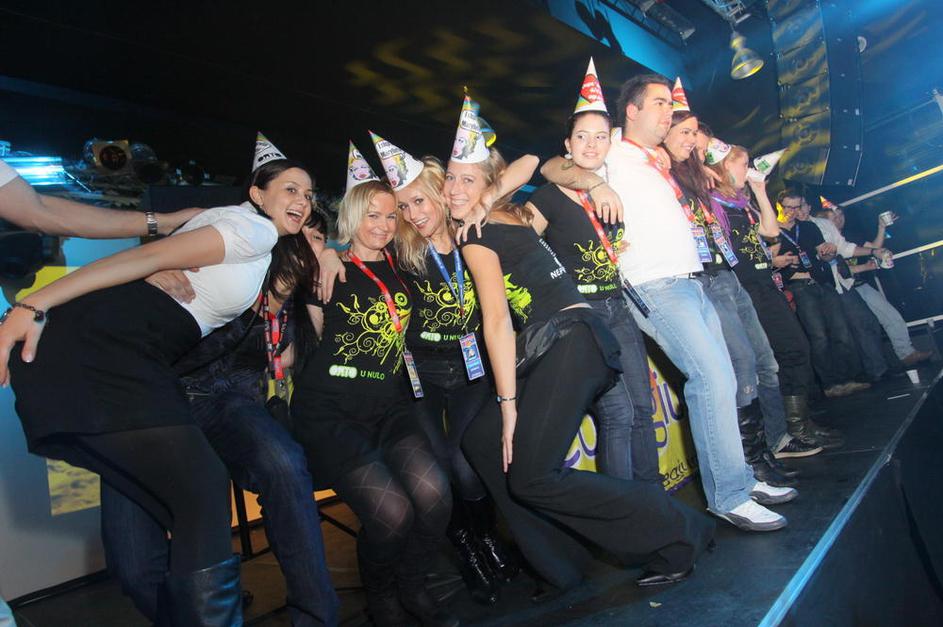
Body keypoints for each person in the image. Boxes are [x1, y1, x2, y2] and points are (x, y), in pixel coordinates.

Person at [0, 142, 313, 625]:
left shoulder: (250, 239)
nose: (303, 200)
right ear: (257, 194)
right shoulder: (254, 228)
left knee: (191, 500)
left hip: (111, 353)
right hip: (109, 352)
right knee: (201, 491)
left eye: (309, 194)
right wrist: (32, 304)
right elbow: (147, 259)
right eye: (290, 189)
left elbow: (153, 257)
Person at [450, 96, 715, 593]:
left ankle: (679, 531)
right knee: (481, 439)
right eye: (450, 179)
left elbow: (497, 322)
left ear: (488, 181)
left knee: (532, 475)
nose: (456, 189)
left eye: (469, 179)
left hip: (570, 339)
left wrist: (509, 405)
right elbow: (531, 164)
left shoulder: (479, 230)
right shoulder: (504, 215)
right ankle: (560, 561)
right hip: (569, 337)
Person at [541, 73, 794, 531]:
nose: (668, 112)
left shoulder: (654, 157)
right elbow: (551, 168)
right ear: (632, 111)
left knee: (727, 378)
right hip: (655, 284)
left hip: (692, 281)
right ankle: (729, 496)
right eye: (659, 103)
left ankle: (743, 478)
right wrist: (596, 185)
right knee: (710, 378)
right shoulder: (612, 149)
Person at [99, 207, 339, 627]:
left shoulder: (301, 304)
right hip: (153, 403)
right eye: (301, 234)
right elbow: (139, 280)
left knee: (284, 464)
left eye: (318, 238)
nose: (309, 244)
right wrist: (148, 273)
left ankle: (316, 617)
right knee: (133, 565)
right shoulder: (226, 270)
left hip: (230, 403)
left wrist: (331, 263)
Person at [290, 178, 457, 627]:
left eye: (389, 215)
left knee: (436, 497)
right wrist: (328, 253)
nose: (382, 225)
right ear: (352, 216)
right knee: (391, 513)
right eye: (372, 215)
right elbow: (311, 338)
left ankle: (413, 586)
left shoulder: (403, 263)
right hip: (332, 411)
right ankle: (382, 598)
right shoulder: (326, 269)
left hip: (390, 405)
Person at [384, 147, 518, 605]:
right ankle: (466, 548)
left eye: (419, 201)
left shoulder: (473, 233)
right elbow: (355, 247)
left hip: (471, 369)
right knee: (439, 471)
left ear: (440, 194)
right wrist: (327, 253)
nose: (412, 214)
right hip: (420, 374)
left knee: (466, 465)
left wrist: (488, 196)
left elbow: (526, 168)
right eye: (403, 206)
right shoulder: (400, 248)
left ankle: (487, 537)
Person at [663, 113, 819, 489]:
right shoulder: (682, 179)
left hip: (731, 278)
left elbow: (768, 230)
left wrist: (758, 187)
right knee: (744, 365)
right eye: (689, 138)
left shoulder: (725, 193)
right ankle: (754, 459)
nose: (697, 148)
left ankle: (771, 445)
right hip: (712, 280)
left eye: (701, 143)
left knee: (766, 360)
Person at [523, 59, 659, 484]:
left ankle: (654, 503)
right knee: (618, 415)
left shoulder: (615, 185)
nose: (591, 144)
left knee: (643, 408)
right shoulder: (548, 196)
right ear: (568, 144)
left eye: (601, 136)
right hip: (585, 315)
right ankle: (625, 511)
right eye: (582, 136)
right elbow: (520, 249)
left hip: (619, 306)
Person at [703, 142, 842, 453]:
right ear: (725, 166)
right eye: (743, 164)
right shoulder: (711, 202)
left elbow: (771, 232)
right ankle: (787, 430)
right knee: (786, 353)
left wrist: (760, 190)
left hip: (766, 283)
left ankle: (798, 424)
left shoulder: (742, 203)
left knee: (794, 350)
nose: (748, 169)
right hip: (745, 288)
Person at [776, 189, 873, 396]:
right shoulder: (772, 233)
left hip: (822, 281)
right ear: (779, 207)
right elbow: (771, 264)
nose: (793, 211)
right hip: (799, 286)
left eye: (797, 206)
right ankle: (830, 384)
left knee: (841, 331)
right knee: (818, 336)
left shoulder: (808, 227)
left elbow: (824, 254)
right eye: (789, 207)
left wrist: (829, 251)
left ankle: (850, 378)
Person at [817, 204, 930, 366]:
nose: (839, 219)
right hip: (841, 291)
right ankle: (874, 368)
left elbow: (875, 248)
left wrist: (881, 226)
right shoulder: (824, 243)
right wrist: (864, 267)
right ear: (824, 223)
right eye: (834, 217)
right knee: (861, 328)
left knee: (890, 315)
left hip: (859, 285)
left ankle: (905, 354)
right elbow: (836, 270)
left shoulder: (849, 236)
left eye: (841, 215)